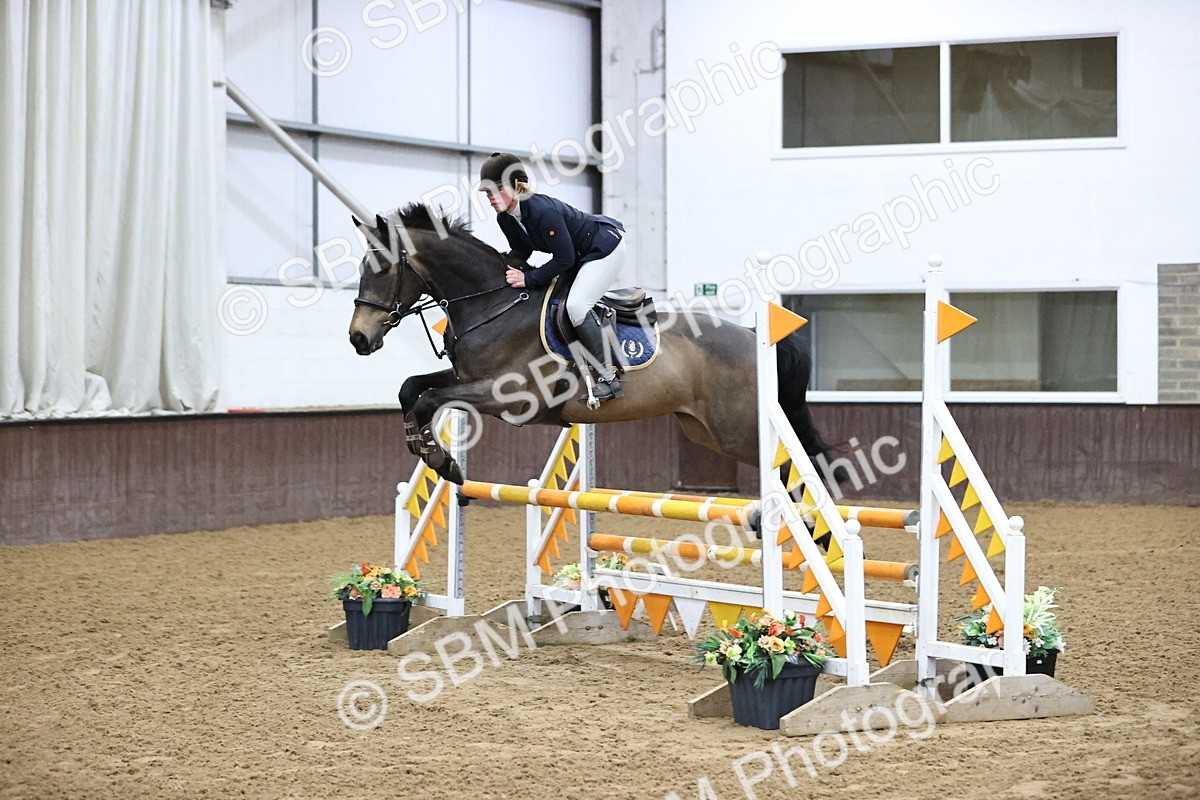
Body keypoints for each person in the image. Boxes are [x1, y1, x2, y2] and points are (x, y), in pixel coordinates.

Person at [477, 152, 628, 404]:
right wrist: (498, 269)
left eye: (496, 189)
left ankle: (608, 378)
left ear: (516, 186)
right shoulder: (505, 219)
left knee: (577, 306)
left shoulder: (541, 211)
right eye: (486, 193)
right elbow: (522, 251)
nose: (491, 198)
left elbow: (564, 259)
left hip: (604, 247)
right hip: (577, 255)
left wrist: (528, 279)